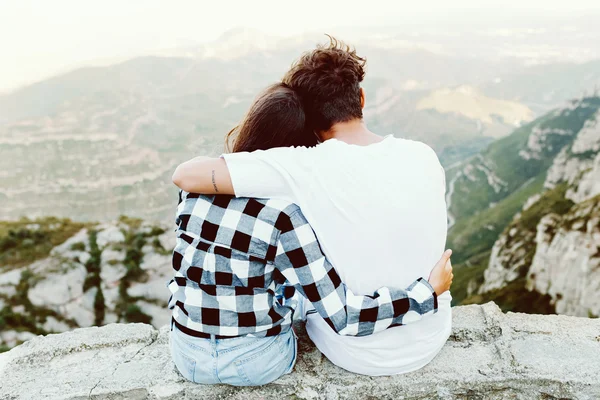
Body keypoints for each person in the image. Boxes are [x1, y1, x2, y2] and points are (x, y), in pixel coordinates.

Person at [172, 37, 452, 376]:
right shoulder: (423, 154)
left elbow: (186, 175)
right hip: (431, 337)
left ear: (305, 117)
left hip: (352, 351)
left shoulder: (299, 166)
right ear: (361, 98)